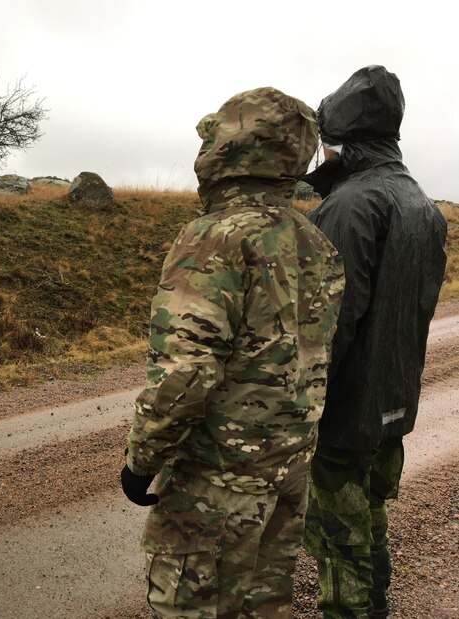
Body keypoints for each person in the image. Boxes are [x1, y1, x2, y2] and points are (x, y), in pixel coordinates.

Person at [121, 87, 345, 618]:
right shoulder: (316, 242)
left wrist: (141, 459)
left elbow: (185, 373)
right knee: (264, 607)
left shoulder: (213, 238)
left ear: (225, 148)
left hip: (217, 485)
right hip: (287, 476)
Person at [300, 65, 448, 619]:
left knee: (340, 540)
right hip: (395, 400)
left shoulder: (348, 207)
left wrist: (301, 406)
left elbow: (328, 328)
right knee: (371, 512)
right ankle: (377, 600)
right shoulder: (422, 205)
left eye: (329, 142)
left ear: (344, 140)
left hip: (346, 411)